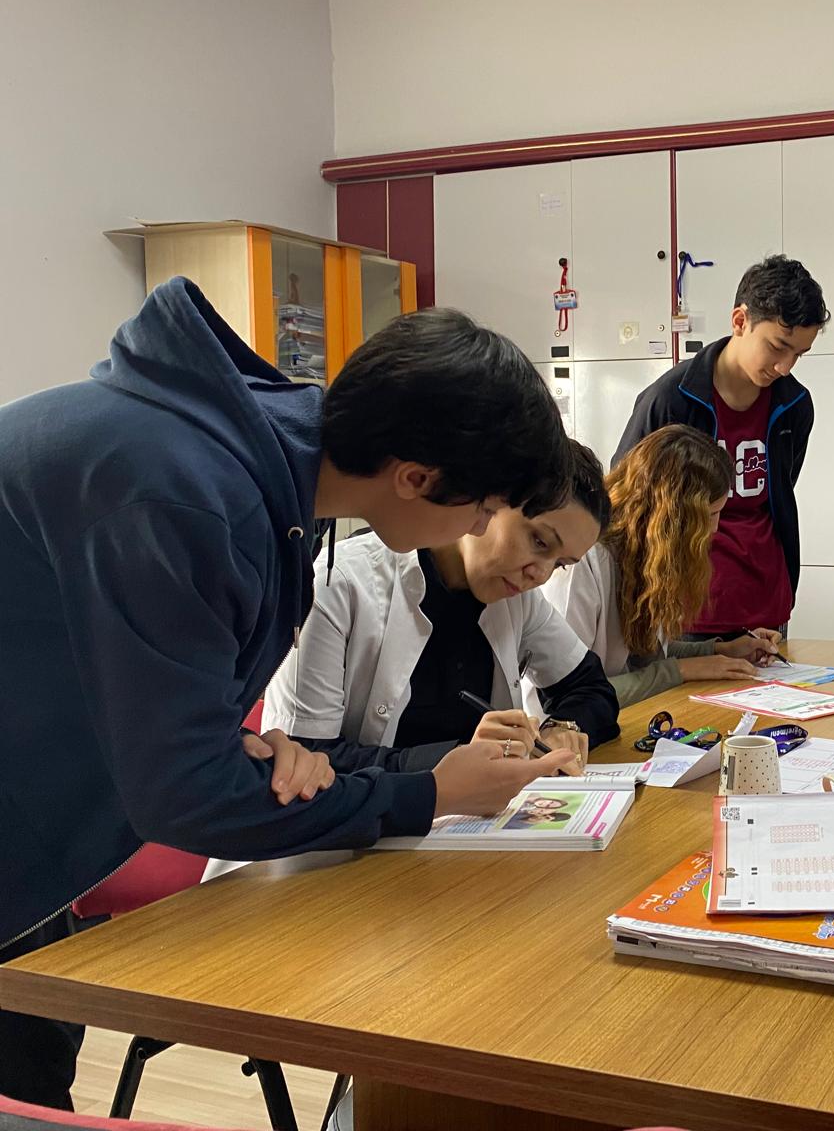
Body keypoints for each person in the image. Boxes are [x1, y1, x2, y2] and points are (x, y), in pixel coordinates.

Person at [0, 279, 578, 1108]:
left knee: (32, 1081)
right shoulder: (184, 491)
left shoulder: (268, 482)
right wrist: (427, 795)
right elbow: (183, 796)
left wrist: (241, 747)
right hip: (31, 827)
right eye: (484, 507)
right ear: (416, 477)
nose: (482, 529)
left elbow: (129, 677)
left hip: (38, 827)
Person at [262, 441, 620, 774]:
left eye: (560, 564)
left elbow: (591, 688)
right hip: (367, 820)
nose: (540, 575)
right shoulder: (336, 584)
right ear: (490, 500)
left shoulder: (517, 598)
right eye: (539, 541)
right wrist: (450, 763)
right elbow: (302, 759)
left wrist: (563, 727)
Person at [613, 255, 827, 637]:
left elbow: (780, 491)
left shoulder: (795, 405)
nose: (785, 366)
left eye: (799, 354)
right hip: (685, 612)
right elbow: (626, 501)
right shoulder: (669, 401)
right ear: (740, 321)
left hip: (767, 606)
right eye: (778, 347)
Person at [549, 426, 781, 705]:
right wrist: (680, 671)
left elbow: (649, 654)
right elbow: (569, 698)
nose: (715, 529)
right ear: (670, 517)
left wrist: (722, 650)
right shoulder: (584, 561)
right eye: (709, 515)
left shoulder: (643, 556)